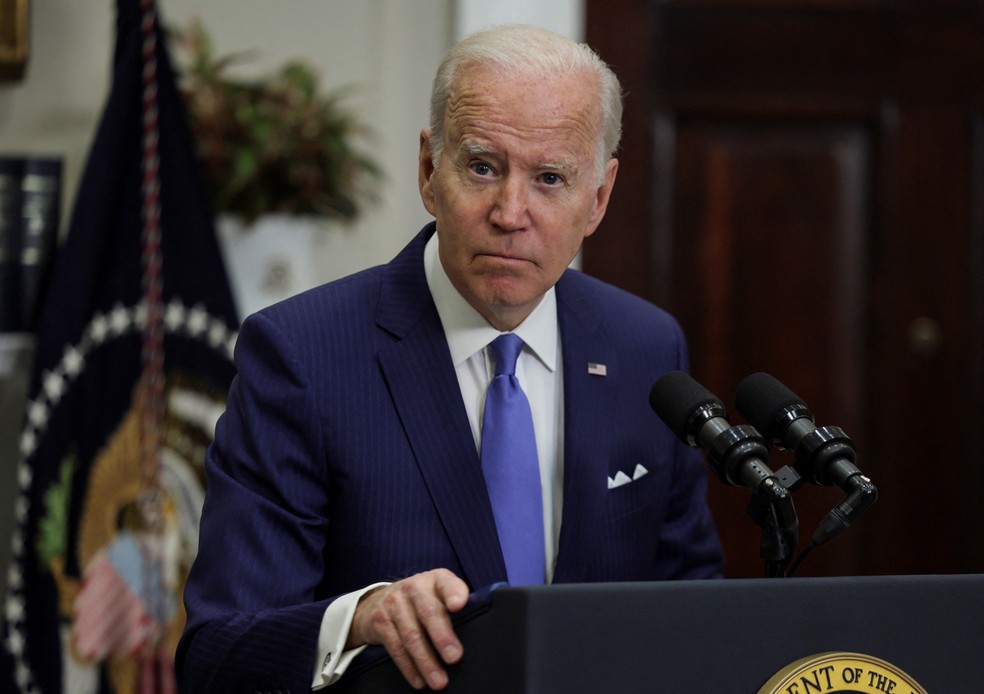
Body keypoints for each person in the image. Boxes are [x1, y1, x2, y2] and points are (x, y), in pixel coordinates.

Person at [176, 23, 722, 693]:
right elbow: (217, 654)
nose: (510, 212)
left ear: (598, 199)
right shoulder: (303, 357)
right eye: (484, 167)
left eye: (550, 178)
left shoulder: (645, 348)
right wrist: (359, 619)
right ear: (430, 171)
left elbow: (694, 613)